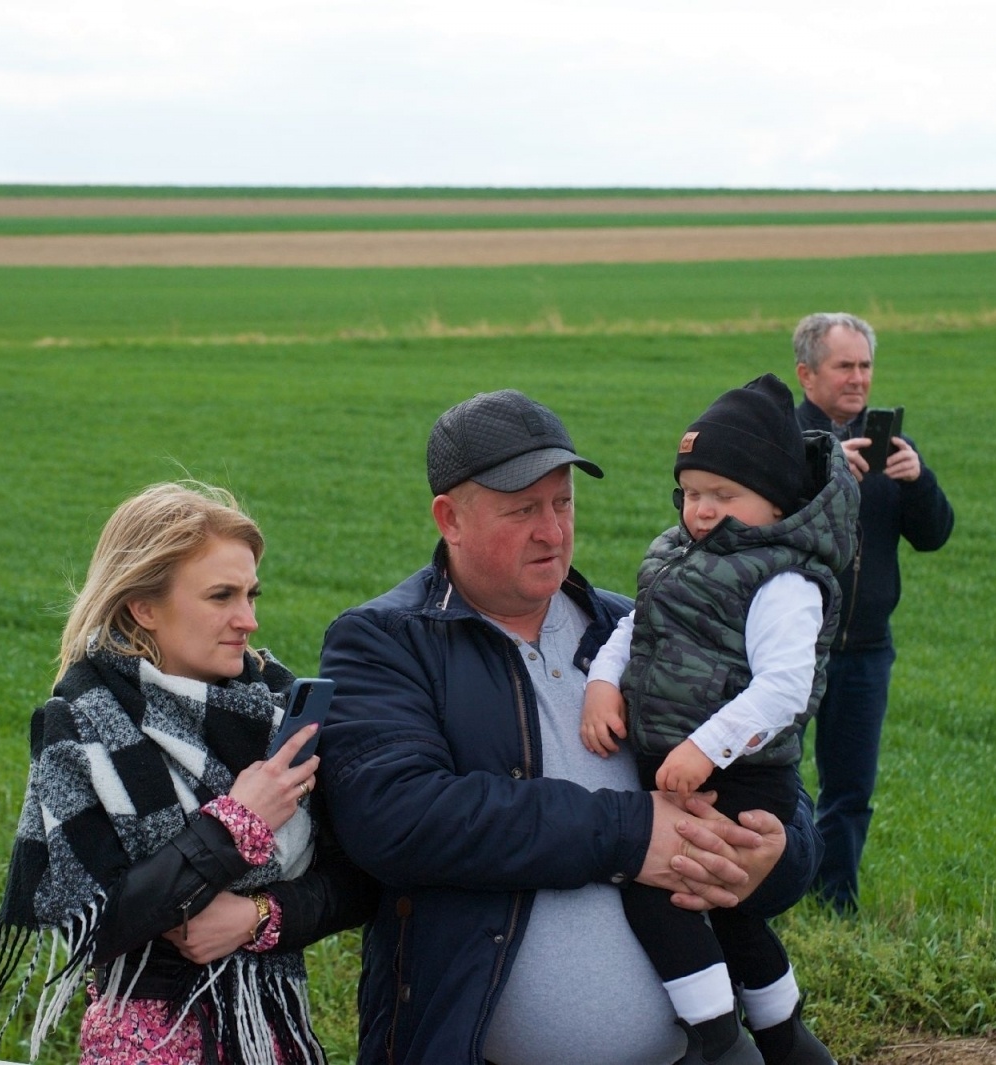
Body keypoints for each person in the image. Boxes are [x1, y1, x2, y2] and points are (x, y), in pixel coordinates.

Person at [317, 389, 826, 1065]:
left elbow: (782, 790)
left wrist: (773, 858)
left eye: (562, 503)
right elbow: (399, 817)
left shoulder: (635, 628)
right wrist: (629, 831)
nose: (552, 531)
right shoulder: (387, 642)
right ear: (450, 518)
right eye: (522, 509)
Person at [0, 482, 376, 1064]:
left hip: (274, 1036)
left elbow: (362, 879)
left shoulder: (276, 712)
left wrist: (256, 917)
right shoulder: (81, 727)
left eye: (252, 594)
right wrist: (237, 824)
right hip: (151, 1047)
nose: (247, 620)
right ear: (143, 606)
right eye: (221, 596)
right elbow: (95, 923)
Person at [580, 374, 854, 1065]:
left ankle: (719, 1036)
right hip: (685, 763)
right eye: (691, 493)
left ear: (777, 499)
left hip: (743, 772)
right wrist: (603, 686)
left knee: (666, 894)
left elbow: (786, 687)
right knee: (732, 912)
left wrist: (708, 746)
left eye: (722, 495)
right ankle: (786, 1036)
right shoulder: (688, 559)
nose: (701, 510)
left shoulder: (784, 583)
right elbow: (638, 627)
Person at [791, 314, 955, 914]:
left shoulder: (890, 445)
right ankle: (771, 898)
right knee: (776, 782)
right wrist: (826, 479)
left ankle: (835, 904)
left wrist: (918, 481)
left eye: (865, 365)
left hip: (865, 648)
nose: (858, 379)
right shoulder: (785, 441)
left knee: (851, 790)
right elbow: (763, 531)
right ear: (807, 374)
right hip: (793, 645)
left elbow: (935, 535)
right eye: (844, 366)